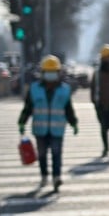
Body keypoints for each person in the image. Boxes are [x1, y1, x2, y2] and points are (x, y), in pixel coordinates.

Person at [18, 54, 78, 192]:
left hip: (57, 129)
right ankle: (44, 175)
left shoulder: (64, 89)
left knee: (57, 154)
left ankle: (56, 177)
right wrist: (22, 122)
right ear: (43, 73)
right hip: (40, 129)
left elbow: (68, 108)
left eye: (53, 72)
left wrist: (73, 122)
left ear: (58, 73)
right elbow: (28, 107)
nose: (51, 75)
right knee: (42, 155)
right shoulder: (34, 89)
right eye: (48, 72)